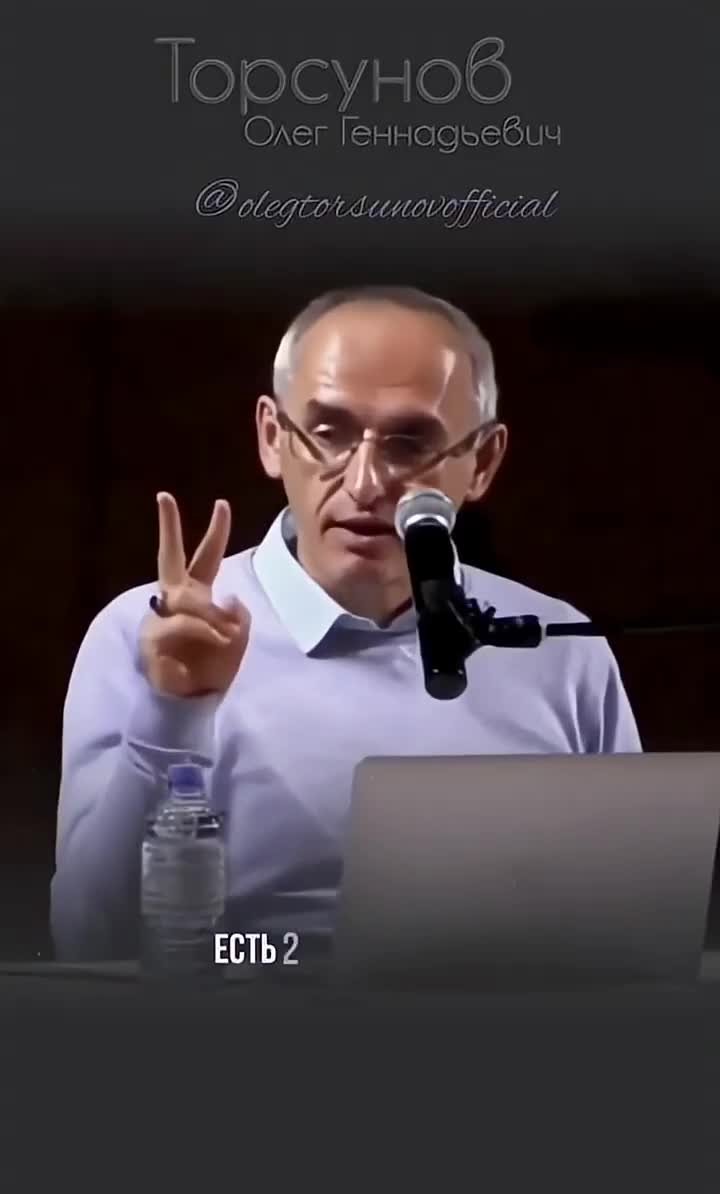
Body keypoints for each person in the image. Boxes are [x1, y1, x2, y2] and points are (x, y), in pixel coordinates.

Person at [51, 284, 641, 960]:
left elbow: (629, 927)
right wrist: (173, 716)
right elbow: (89, 940)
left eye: (410, 442)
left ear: (482, 462)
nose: (364, 483)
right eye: (328, 433)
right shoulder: (149, 633)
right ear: (272, 438)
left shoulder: (558, 645)